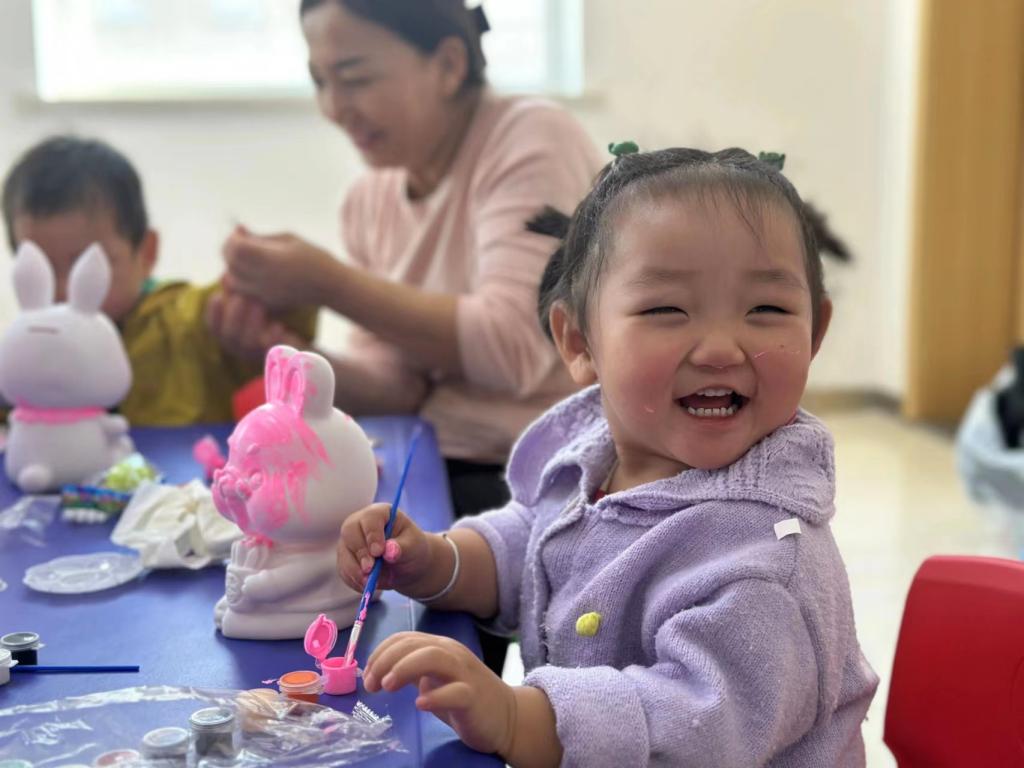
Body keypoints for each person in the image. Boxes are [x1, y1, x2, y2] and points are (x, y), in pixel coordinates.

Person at [336, 146, 879, 767]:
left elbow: (693, 726)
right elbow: (535, 544)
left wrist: (515, 716)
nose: (721, 348)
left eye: (767, 310)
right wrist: (436, 561)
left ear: (814, 333)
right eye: (667, 309)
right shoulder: (598, 454)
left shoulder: (766, 563)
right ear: (579, 342)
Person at [212, 0, 604, 521]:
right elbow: (398, 389)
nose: (334, 107)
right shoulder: (368, 199)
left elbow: (513, 347)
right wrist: (287, 353)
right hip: (428, 460)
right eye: (320, 82)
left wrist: (326, 282)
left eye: (355, 78)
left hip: (538, 475)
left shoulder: (530, 138)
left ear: (448, 65)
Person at [1, 135, 315, 425]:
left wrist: (260, 287)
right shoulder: (32, 347)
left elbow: (287, 312)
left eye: (87, 268)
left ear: (146, 253)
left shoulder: (189, 323)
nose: (62, 292)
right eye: (41, 270)